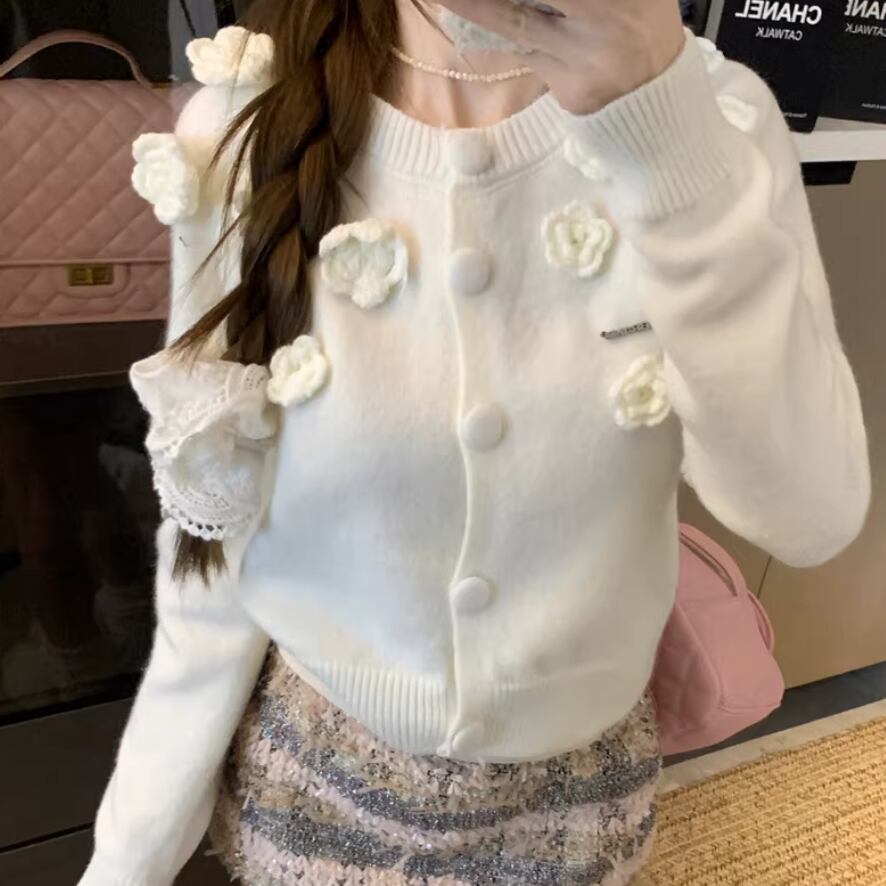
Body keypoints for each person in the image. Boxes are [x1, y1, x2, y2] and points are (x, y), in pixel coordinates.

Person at [79, 0, 871, 882]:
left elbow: (811, 514)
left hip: (583, 804)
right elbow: (212, 536)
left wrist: (664, 137)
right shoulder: (246, 120)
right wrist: (129, 859)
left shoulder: (715, 120)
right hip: (312, 793)